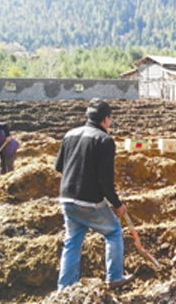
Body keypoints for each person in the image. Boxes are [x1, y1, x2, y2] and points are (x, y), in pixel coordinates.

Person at [55, 98, 134, 291]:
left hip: (67, 198)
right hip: (89, 201)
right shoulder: (105, 140)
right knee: (114, 231)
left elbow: (59, 167)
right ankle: (114, 277)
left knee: (72, 242)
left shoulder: (70, 134)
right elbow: (105, 182)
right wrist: (117, 204)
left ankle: (65, 289)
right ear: (106, 119)